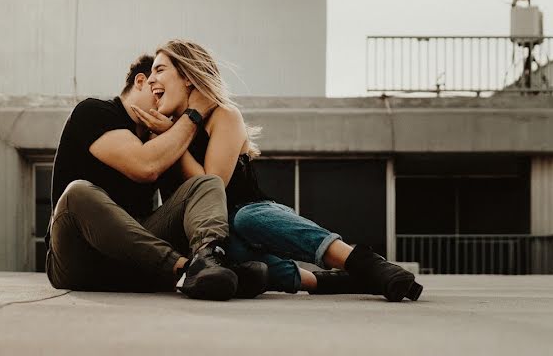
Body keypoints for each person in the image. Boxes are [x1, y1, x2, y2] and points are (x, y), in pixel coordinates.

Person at [131, 39, 423, 302]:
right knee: (235, 250)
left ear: (188, 77)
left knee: (243, 219)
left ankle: (367, 264)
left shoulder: (224, 115)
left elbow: (212, 188)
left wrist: (174, 137)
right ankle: (343, 281)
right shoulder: (159, 129)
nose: (152, 79)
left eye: (159, 70)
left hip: (254, 218)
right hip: (215, 242)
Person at [46, 54, 267, 301]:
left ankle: (210, 259)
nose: (166, 102)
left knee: (206, 183)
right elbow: (144, 165)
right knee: (78, 193)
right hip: (77, 258)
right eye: (158, 91)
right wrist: (194, 113)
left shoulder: (161, 140)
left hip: (133, 260)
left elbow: (198, 190)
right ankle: (185, 269)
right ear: (141, 81)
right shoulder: (94, 111)